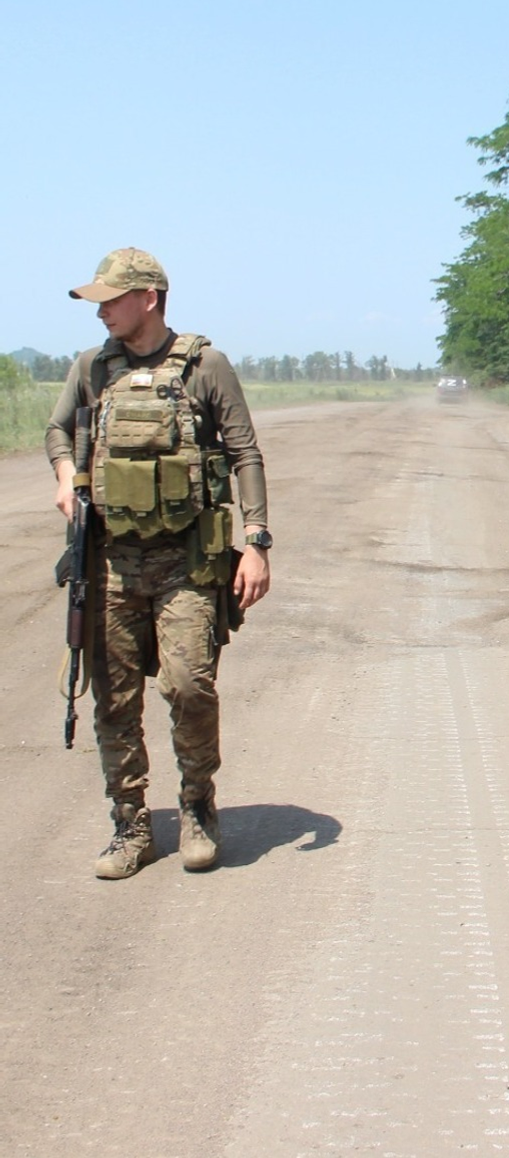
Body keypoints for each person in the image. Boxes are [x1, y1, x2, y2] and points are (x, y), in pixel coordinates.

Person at [47, 248, 272, 878]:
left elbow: (244, 452)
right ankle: (130, 824)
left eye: (111, 300)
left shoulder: (206, 366)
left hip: (188, 562)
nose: (102, 313)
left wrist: (255, 541)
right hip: (111, 561)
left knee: (188, 686)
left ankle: (197, 805)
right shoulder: (92, 368)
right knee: (114, 700)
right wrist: (67, 476)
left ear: (149, 297)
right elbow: (57, 432)